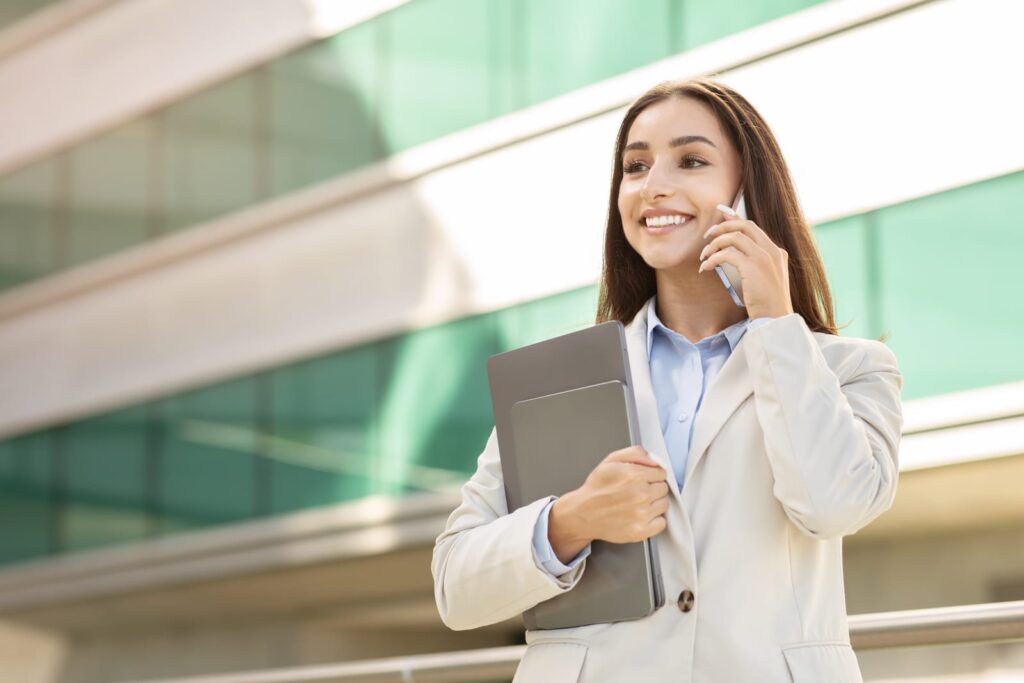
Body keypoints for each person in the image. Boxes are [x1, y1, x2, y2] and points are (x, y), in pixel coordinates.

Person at [431, 76, 903, 683]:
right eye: (635, 166)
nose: (654, 186)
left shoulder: (849, 370)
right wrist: (571, 520)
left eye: (692, 160)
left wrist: (777, 323)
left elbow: (834, 504)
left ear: (749, 193)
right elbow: (455, 587)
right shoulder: (558, 379)